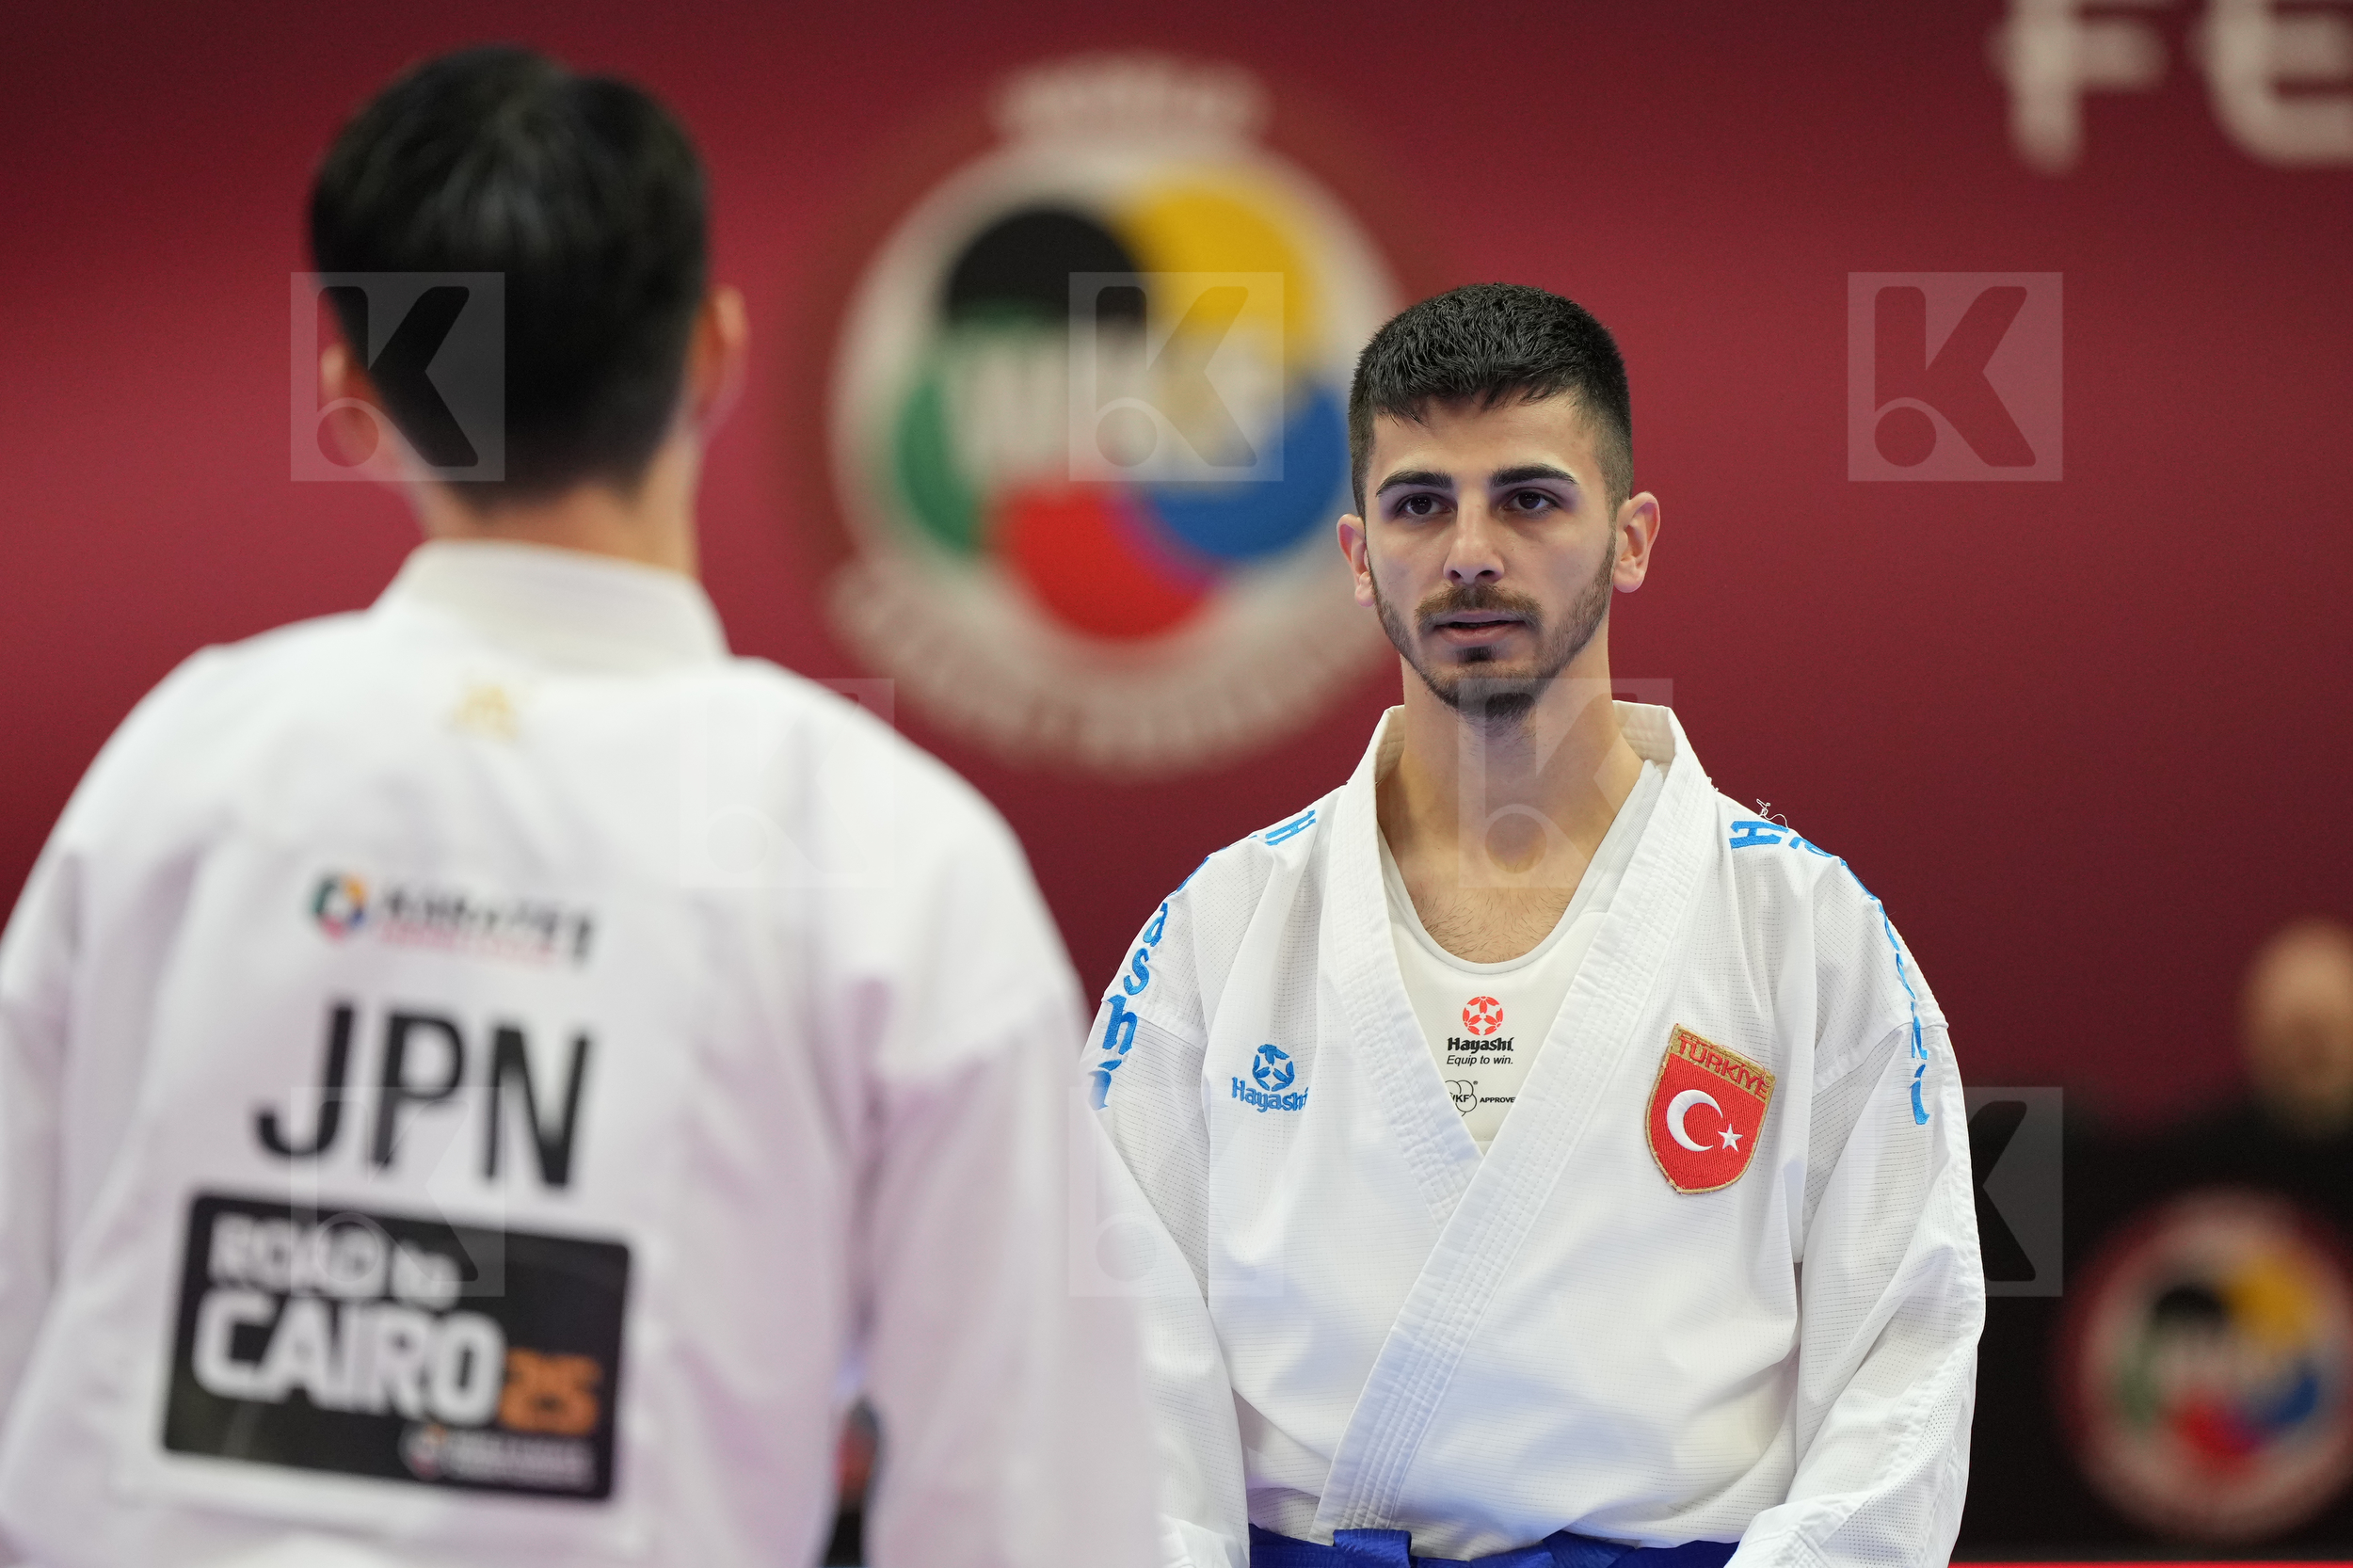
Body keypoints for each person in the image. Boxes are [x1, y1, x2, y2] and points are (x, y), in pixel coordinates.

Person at [0, 46, 1155, 1568]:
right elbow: (1023, 1511)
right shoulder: (891, 855)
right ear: (714, 354)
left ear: (348, 390)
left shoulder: (181, 768)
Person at [1082, 283, 1983, 1568]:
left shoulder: (1809, 932)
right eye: (1419, 504)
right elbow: (1119, 1354)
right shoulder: (1217, 931)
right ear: (1355, 555)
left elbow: (1908, 1349)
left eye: (1530, 497)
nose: (1469, 554)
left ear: (1632, 536)